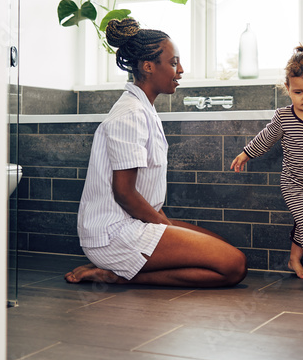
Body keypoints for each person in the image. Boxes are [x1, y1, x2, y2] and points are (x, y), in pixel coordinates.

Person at [65, 18, 248, 287]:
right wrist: (166, 227)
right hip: (113, 233)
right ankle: (117, 275)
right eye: (174, 63)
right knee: (234, 266)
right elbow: (124, 193)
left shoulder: (143, 108)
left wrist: (163, 225)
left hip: (134, 223)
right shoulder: (130, 114)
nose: (181, 70)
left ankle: (121, 271)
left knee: (221, 246)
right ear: (148, 67)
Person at [230, 45, 303, 289]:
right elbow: (266, 137)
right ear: (288, 90)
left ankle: (294, 260)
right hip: (294, 184)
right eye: (299, 92)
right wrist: (246, 154)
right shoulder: (284, 117)